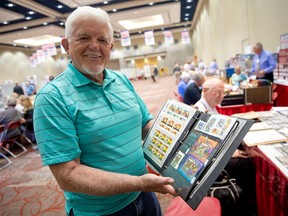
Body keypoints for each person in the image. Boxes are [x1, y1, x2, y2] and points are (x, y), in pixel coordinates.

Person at [33, 6, 176, 216]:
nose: (94, 46)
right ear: (66, 45)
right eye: (83, 38)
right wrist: (139, 183)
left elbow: (146, 124)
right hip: (101, 211)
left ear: (111, 45)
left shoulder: (121, 80)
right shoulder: (52, 98)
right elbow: (68, 175)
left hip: (145, 196)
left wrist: (181, 135)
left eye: (102, 40)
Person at [194, 78, 256, 216]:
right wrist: (230, 153)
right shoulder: (200, 111)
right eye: (218, 93)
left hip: (217, 152)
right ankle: (248, 205)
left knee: (243, 145)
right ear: (205, 91)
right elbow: (201, 148)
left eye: (223, 93)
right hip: (209, 161)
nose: (222, 96)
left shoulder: (212, 107)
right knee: (247, 164)